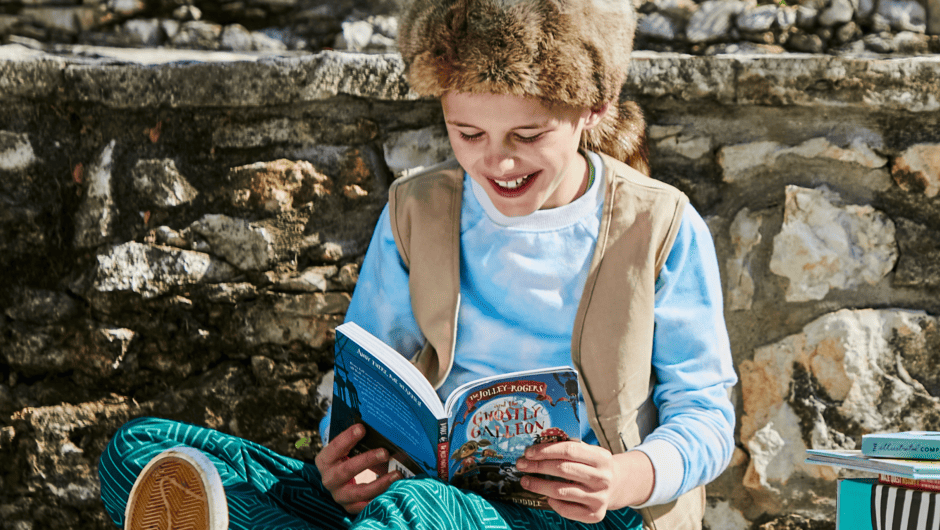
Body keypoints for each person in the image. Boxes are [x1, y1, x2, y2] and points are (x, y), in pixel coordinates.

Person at [97, 0, 738, 528]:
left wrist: (627, 477)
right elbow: (364, 375)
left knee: (412, 510)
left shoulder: (660, 224)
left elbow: (707, 415)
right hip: (423, 491)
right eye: (469, 134)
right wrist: (342, 463)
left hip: (587, 516)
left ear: (594, 109)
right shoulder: (417, 207)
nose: (498, 164)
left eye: (528, 136)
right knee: (141, 451)